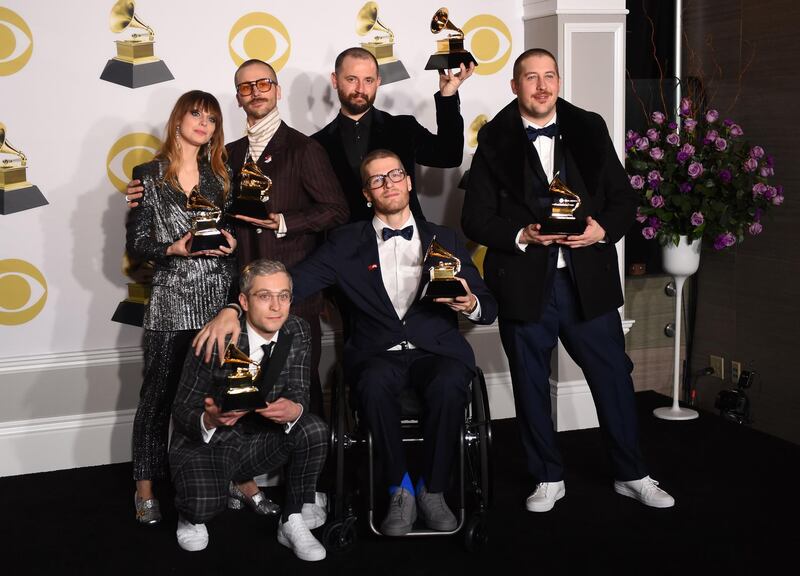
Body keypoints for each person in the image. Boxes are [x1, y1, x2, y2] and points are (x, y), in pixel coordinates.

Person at [194, 149, 497, 536]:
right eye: (377, 179)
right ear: (367, 194)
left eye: (395, 175)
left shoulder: (447, 238)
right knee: (371, 384)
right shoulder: (344, 242)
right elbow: (290, 284)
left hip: (437, 352)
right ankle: (399, 489)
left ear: (408, 181)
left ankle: (434, 490)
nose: (388, 183)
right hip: (376, 355)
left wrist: (469, 302)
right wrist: (233, 309)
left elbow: (488, 306)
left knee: (451, 382)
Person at [461, 48, 676, 513]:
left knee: (613, 376)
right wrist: (520, 234)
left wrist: (604, 230)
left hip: (587, 281)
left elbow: (622, 199)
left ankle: (631, 472)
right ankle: (546, 476)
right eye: (530, 78)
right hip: (523, 282)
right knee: (530, 382)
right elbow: (474, 218)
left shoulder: (589, 126)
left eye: (549, 76)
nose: (541, 86)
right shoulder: (493, 138)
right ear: (514, 86)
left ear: (558, 81)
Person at [126, 59, 349, 417]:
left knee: (298, 388)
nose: (256, 92)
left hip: (292, 292)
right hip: (239, 297)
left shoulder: (304, 148)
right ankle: (245, 469)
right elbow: (195, 200)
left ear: (277, 91)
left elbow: (337, 210)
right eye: (247, 87)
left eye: (263, 84)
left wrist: (282, 221)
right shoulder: (227, 155)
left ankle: (311, 472)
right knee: (239, 389)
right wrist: (143, 189)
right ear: (238, 98)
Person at [125, 90, 238, 525]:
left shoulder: (221, 178)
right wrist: (171, 246)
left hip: (216, 300)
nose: (203, 123)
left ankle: (219, 478)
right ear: (177, 120)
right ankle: (145, 489)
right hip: (171, 301)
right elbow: (136, 247)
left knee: (216, 397)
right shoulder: (147, 176)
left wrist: (229, 246)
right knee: (157, 399)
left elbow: (229, 240)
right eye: (195, 114)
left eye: (211, 119)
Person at [169, 259, 328, 561]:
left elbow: (299, 390)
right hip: (210, 443)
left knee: (313, 428)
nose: (276, 306)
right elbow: (181, 410)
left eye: (283, 296)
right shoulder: (216, 337)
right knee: (202, 506)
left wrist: (294, 408)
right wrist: (209, 418)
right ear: (243, 301)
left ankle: (291, 519)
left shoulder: (298, 330)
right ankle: (191, 513)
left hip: (256, 442)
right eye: (264, 296)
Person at [312, 47, 474, 222]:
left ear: (378, 82)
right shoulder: (316, 145)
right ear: (335, 80)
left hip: (408, 241)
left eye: (368, 80)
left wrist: (448, 96)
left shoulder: (403, 127)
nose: (360, 88)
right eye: (352, 79)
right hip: (345, 244)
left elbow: (449, 156)